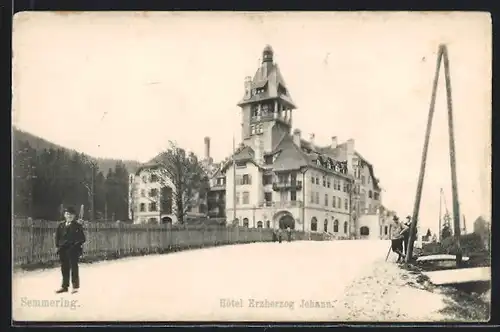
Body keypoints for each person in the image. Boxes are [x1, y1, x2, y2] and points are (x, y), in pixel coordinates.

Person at [55, 206, 86, 294]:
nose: (69, 216)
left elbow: (82, 238)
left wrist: (75, 245)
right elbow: (57, 237)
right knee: (64, 268)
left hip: (73, 250)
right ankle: (64, 286)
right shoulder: (61, 226)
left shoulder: (77, 226)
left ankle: (75, 287)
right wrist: (58, 245)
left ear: (74, 216)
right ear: (64, 215)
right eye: (67, 214)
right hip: (63, 250)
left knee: (74, 268)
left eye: (71, 215)